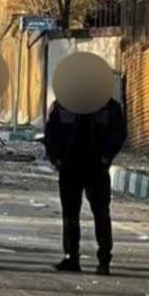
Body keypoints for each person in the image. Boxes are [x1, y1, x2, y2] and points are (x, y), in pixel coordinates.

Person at [44, 93, 127, 275]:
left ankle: (104, 259)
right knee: (70, 214)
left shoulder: (108, 105)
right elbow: (51, 131)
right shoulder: (63, 103)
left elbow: (118, 132)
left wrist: (106, 157)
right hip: (70, 165)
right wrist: (57, 158)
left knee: (101, 213)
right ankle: (71, 257)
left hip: (96, 166)